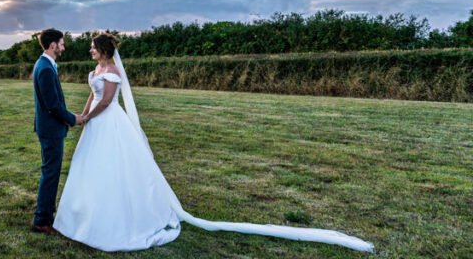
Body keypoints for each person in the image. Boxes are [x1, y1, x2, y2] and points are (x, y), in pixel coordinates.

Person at [51, 33, 374, 253]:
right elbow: (93, 98)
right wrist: (81, 115)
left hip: (108, 124)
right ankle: (85, 213)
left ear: (103, 49)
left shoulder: (110, 70)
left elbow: (106, 101)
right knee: (92, 168)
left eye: (93, 47)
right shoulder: (97, 68)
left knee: (115, 168)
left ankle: (119, 218)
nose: (90, 51)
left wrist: (88, 118)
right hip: (95, 122)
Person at [30, 28, 85, 235]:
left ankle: (46, 214)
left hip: (49, 128)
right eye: (61, 43)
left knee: (50, 171)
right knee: (51, 173)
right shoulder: (44, 68)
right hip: (51, 130)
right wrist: (74, 119)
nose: (64, 47)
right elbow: (52, 105)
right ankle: (42, 220)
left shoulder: (45, 65)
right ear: (52, 45)